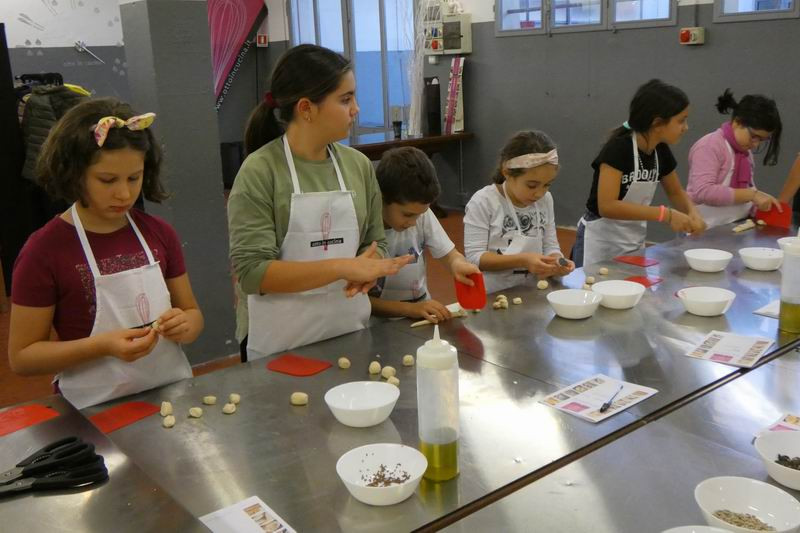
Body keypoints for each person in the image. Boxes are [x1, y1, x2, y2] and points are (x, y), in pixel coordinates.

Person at [8, 98, 204, 409]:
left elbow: (192, 313)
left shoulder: (159, 234)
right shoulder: (44, 251)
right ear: (74, 174)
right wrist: (101, 346)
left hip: (169, 396)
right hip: (92, 409)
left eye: (134, 178)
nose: (124, 193)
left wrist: (187, 325)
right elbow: (23, 357)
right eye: (107, 180)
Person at [228, 44, 411, 361]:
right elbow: (253, 274)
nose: (356, 109)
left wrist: (369, 266)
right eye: (345, 99)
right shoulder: (261, 171)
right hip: (278, 348)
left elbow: (375, 239)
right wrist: (342, 267)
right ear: (306, 109)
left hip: (348, 332)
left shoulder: (358, 166)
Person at [573, 79, 706, 267]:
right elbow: (607, 206)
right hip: (600, 242)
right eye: (681, 120)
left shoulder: (660, 151)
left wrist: (693, 212)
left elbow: (676, 192)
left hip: (632, 240)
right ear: (658, 123)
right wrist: (665, 215)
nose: (686, 127)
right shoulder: (618, 149)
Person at [369, 147, 479, 323]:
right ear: (381, 198)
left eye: (420, 214)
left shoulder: (421, 214)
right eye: (407, 215)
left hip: (421, 312)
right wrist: (409, 309)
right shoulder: (365, 228)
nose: (414, 222)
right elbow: (359, 301)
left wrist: (458, 264)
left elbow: (449, 255)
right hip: (377, 324)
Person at [464, 130, 574, 294]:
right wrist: (523, 260)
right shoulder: (484, 202)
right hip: (494, 294)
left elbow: (550, 245)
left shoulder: (545, 200)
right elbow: (475, 258)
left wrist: (557, 261)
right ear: (507, 172)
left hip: (533, 292)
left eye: (547, 185)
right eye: (531, 185)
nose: (539, 193)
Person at [687, 89, 785, 228]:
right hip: (703, 227)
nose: (755, 144)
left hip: (733, 226)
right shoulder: (709, 146)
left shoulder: (745, 153)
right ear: (737, 122)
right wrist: (752, 195)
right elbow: (704, 191)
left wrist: (759, 204)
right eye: (754, 136)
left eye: (762, 140)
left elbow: (747, 189)